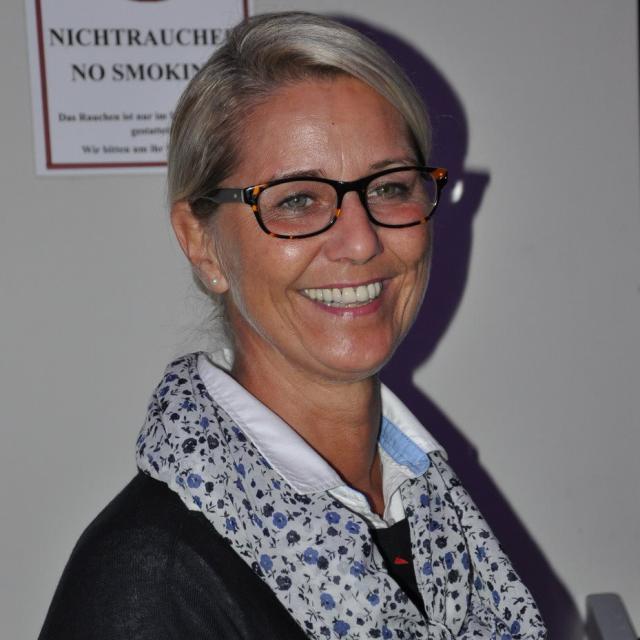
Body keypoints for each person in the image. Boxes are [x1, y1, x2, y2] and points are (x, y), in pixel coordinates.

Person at [39, 12, 547, 640]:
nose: (361, 242)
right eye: (298, 200)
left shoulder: (434, 513)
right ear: (202, 243)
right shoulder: (151, 581)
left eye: (390, 188)